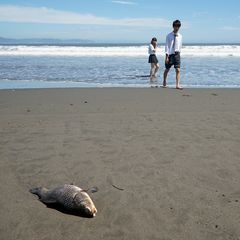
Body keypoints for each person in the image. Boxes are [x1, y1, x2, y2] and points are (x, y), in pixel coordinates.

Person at [163, 20, 183, 90]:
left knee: (178, 70)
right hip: (170, 55)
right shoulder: (168, 35)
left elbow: (180, 46)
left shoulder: (180, 36)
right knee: (167, 69)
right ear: (173, 26)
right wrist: (167, 57)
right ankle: (164, 81)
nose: (177, 28)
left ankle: (177, 85)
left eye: (178, 26)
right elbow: (167, 46)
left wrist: (179, 53)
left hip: (177, 54)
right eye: (175, 26)